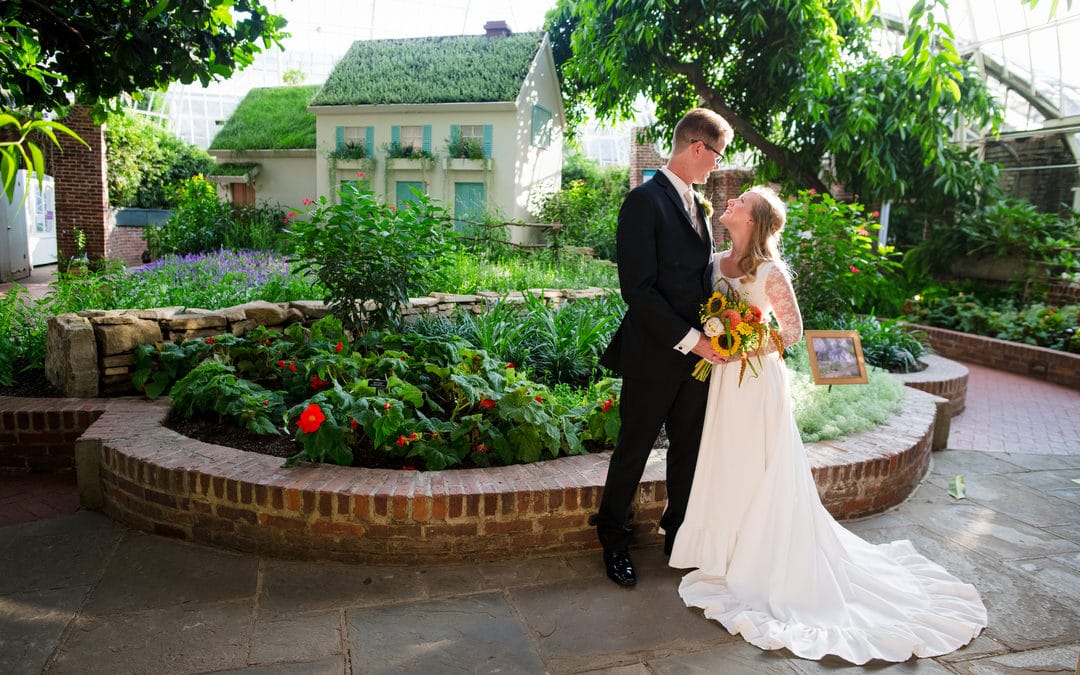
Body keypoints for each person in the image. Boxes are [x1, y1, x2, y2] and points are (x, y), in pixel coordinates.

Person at [669, 186, 987, 664]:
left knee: (759, 463)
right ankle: (724, 549)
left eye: (740, 201)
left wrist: (747, 342)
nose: (729, 202)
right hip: (721, 380)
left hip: (756, 384)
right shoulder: (715, 263)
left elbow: (792, 332)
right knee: (725, 460)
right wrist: (722, 339)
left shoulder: (771, 271)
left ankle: (761, 557)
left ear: (753, 220)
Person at [595, 108, 734, 587]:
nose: (718, 164)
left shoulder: (700, 204)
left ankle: (678, 536)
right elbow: (638, 289)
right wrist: (695, 341)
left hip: (697, 362)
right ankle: (613, 540)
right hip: (654, 356)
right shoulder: (643, 202)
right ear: (697, 148)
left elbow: (697, 279)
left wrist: (721, 325)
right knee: (633, 451)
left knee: (688, 453)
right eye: (717, 155)